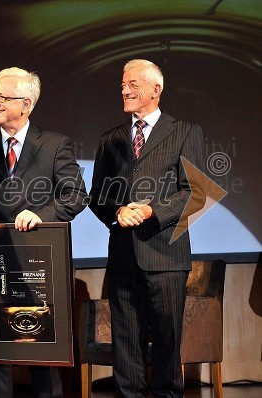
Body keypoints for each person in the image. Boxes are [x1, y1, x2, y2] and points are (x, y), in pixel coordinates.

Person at [0, 67, 87, 398]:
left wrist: (39, 213)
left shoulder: (54, 145)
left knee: (42, 354)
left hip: (41, 266)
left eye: (3, 97)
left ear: (26, 104)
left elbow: (76, 196)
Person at [89, 58, 206, 397]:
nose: (125, 90)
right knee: (126, 344)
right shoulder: (110, 139)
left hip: (166, 255)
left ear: (156, 89)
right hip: (124, 256)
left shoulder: (185, 131)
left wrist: (152, 211)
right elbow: (97, 195)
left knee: (168, 344)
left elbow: (196, 192)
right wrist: (117, 211)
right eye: (123, 85)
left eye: (133, 84)